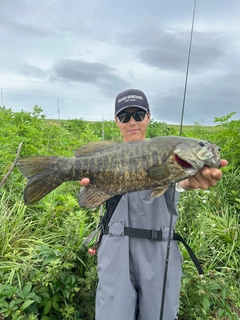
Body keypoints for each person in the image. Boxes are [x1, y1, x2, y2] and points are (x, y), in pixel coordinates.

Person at [80, 89, 228, 320]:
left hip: (160, 252)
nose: (132, 122)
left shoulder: (168, 154)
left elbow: (185, 181)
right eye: (125, 116)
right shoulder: (107, 155)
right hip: (115, 250)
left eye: (138, 115)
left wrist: (195, 179)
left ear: (148, 117)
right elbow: (90, 195)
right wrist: (88, 185)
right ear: (116, 121)